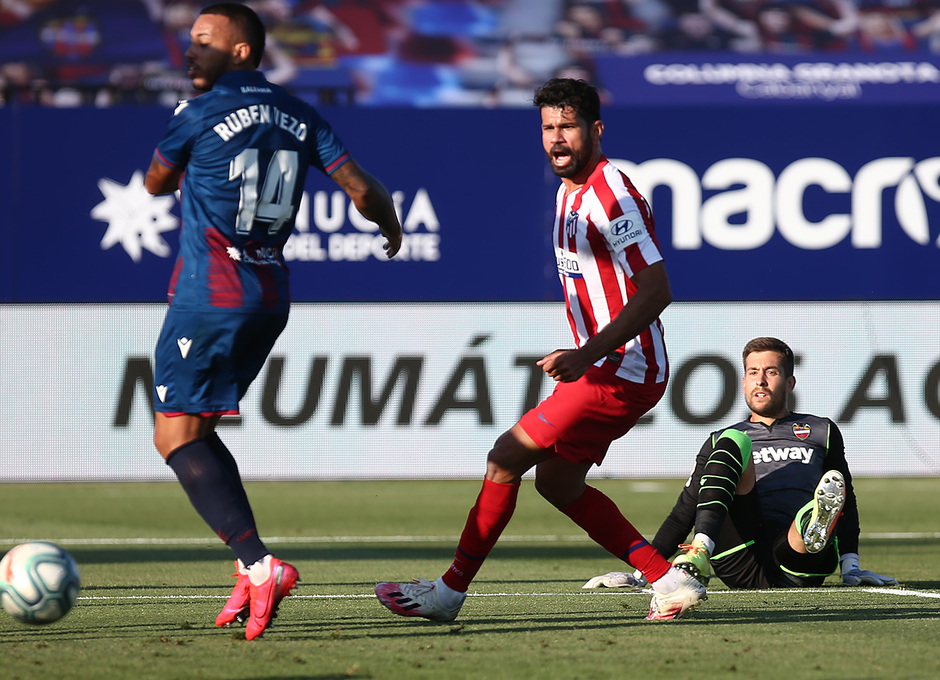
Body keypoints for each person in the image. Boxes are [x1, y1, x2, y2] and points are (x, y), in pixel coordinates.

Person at [375, 77, 706, 624]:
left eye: (568, 126)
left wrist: (587, 353)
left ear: (596, 130)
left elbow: (657, 290)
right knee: (556, 482)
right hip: (608, 366)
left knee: (504, 458)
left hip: (621, 369)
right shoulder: (567, 190)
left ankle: (449, 592)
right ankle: (668, 580)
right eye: (548, 127)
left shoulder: (612, 195)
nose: (556, 138)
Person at [143, 3, 403, 641]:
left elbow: (155, 182)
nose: (190, 49)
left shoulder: (197, 112)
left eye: (204, 40)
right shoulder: (300, 114)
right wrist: (390, 222)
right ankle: (248, 565)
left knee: (173, 436)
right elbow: (361, 189)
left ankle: (260, 565)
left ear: (240, 51)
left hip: (209, 294)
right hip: (269, 294)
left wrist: (189, 164)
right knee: (196, 428)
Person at [585, 337, 896, 592]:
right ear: (744, 381)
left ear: (789, 382)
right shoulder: (721, 440)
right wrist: (643, 573)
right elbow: (684, 511)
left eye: (771, 372)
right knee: (734, 441)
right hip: (740, 557)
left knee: (814, 512)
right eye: (753, 372)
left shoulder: (822, 430)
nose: (761, 380)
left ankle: (811, 525)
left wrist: (851, 567)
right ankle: (700, 551)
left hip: (798, 559)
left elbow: (846, 500)